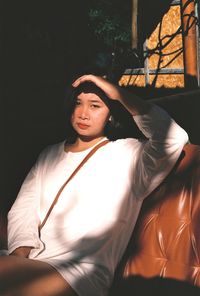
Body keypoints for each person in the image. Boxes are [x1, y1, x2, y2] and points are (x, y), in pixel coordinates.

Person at [0, 74, 188, 296]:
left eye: (95, 105)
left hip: (79, 275)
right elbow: (24, 210)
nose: (83, 113)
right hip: (32, 263)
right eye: (78, 103)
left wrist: (118, 93)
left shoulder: (128, 154)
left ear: (111, 114)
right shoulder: (49, 154)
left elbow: (173, 138)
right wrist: (20, 258)